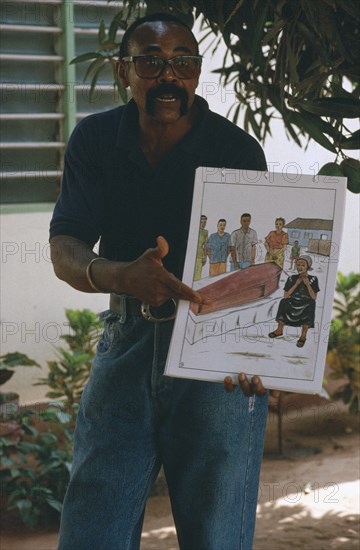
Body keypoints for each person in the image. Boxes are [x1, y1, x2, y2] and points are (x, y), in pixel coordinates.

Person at [49, 13, 278, 550]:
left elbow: (266, 269)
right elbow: (65, 248)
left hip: (216, 356)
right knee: (92, 530)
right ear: (123, 70)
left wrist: (257, 352)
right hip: (125, 342)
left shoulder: (237, 151)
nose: (168, 74)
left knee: (217, 533)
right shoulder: (96, 138)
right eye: (151, 60)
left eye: (183, 62)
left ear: (197, 74)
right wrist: (120, 275)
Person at [268, 255, 319, 347]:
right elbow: (286, 295)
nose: (300, 267)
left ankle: (303, 335)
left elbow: (314, 297)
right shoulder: (292, 278)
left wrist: (308, 285)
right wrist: (296, 284)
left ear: (308, 266)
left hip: (306, 302)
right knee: (283, 302)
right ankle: (279, 330)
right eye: (298, 265)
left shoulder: (313, 279)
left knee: (311, 304)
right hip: (293, 301)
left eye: (303, 265)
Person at [194, 214, 208, 280]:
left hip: (200, 256)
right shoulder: (193, 230)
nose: (203, 224)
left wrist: (205, 257)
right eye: (201, 222)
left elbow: (205, 245)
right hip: (192, 255)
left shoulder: (205, 232)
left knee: (197, 276)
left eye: (204, 222)